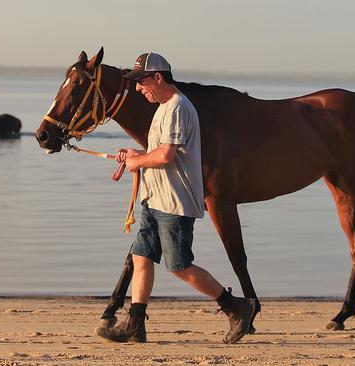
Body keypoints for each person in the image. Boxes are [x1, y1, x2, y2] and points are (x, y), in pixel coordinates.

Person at [96, 52, 255, 344]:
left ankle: (236, 307)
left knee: (179, 265)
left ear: (158, 78)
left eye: (142, 82)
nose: (139, 89)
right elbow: (160, 151)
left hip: (174, 202)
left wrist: (138, 162)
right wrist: (136, 155)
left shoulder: (179, 107)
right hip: (154, 198)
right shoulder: (163, 107)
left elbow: (167, 155)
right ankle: (135, 323)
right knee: (141, 257)